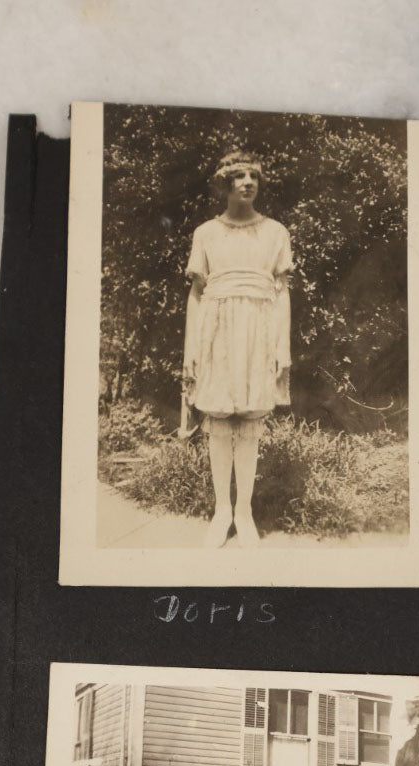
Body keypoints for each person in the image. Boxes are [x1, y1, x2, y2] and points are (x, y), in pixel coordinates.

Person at [182, 150, 293, 547]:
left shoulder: (276, 232)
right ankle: (221, 511)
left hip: (259, 329)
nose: (248, 182)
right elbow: (196, 294)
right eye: (239, 175)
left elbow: (281, 293)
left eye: (254, 176)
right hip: (217, 328)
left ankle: (244, 512)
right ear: (225, 182)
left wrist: (282, 343)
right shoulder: (206, 233)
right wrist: (191, 345)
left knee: (249, 420)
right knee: (220, 419)